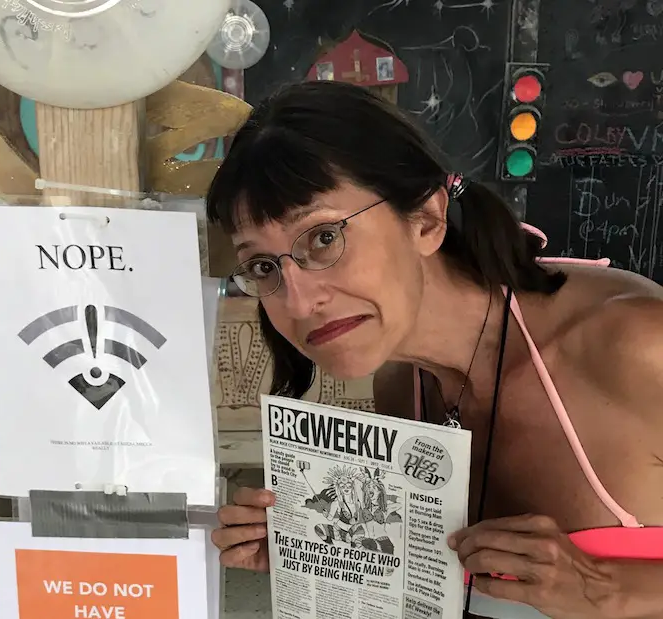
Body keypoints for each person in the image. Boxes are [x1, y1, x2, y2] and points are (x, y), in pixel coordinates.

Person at [206, 80, 663, 619]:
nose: (300, 302)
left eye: (324, 237)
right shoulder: (404, 387)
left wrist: (610, 589)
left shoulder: (635, 343)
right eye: (263, 266)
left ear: (426, 219)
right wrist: (320, 553)